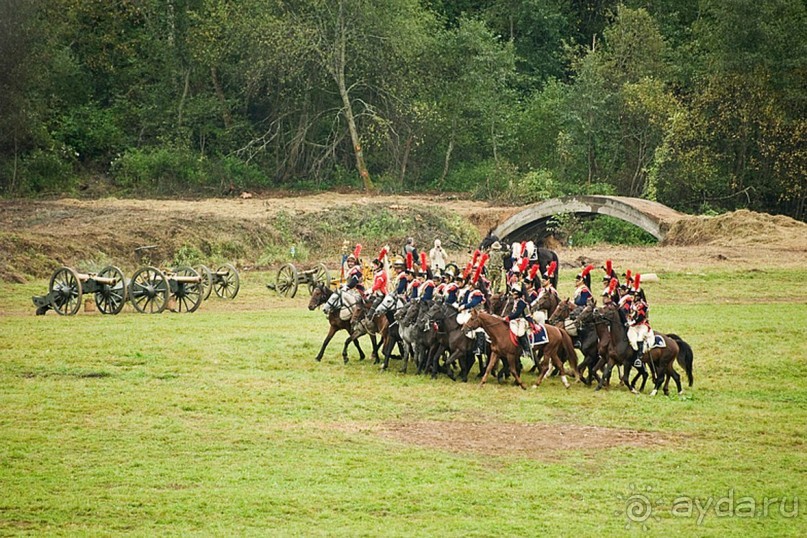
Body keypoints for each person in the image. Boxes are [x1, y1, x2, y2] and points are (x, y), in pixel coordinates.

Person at [504, 283, 536, 365]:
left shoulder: (521, 302)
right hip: (516, 320)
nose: (513, 295)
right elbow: (513, 312)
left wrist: (508, 318)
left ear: (518, 294)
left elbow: (517, 313)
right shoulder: (515, 302)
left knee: (520, 332)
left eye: (515, 294)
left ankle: (526, 349)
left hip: (523, 319)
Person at [627, 279, 653, 369]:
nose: (631, 296)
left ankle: (639, 357)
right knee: (629, 336)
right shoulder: (632, 304)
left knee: (640, 337)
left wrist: (632, 322)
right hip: (634, 326)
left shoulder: (642, 305)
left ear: (637, 296)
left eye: (632, 295)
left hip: (642, 325)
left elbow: (640, 317)